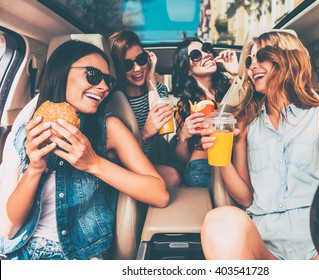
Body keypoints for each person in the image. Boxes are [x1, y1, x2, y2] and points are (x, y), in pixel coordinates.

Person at [199, 31, 319, 260]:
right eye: (249, 61)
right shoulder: (245, 123)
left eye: (261, 57)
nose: (252, 67)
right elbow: (246, 198)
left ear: (286, 59)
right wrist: (220, 157)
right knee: (219, 220)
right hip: (267, 243)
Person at [0, 40, 169, 260]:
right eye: (93, 75)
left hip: (75, 257)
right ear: (61, 71)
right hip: (19, 252)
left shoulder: (108, 128)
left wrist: (93, 163)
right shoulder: (28, 130)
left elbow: (159, 194)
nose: (104, 87)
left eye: (107, 80)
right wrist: (35, 168)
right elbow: (11, 227)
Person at [108, 30, 181, 189]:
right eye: (127, 65)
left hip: (147, 163)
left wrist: (150, 79)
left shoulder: (158, 89)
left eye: (141, 60)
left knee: (174, 176)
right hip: (123, 166)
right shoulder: (113, 100)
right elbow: (114, 157)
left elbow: (162, 122)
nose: (137, 68)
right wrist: (145, 134)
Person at [172, 37, 238, 190]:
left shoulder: (233, 86)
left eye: (207, 49)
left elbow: (256, 103)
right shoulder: (185, 105)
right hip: (201, 167)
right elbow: (182, 160)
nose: (207, 54)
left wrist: (236, 73)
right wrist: (183, 136)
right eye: (196, 55)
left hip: (237, 161)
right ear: (188, 70)